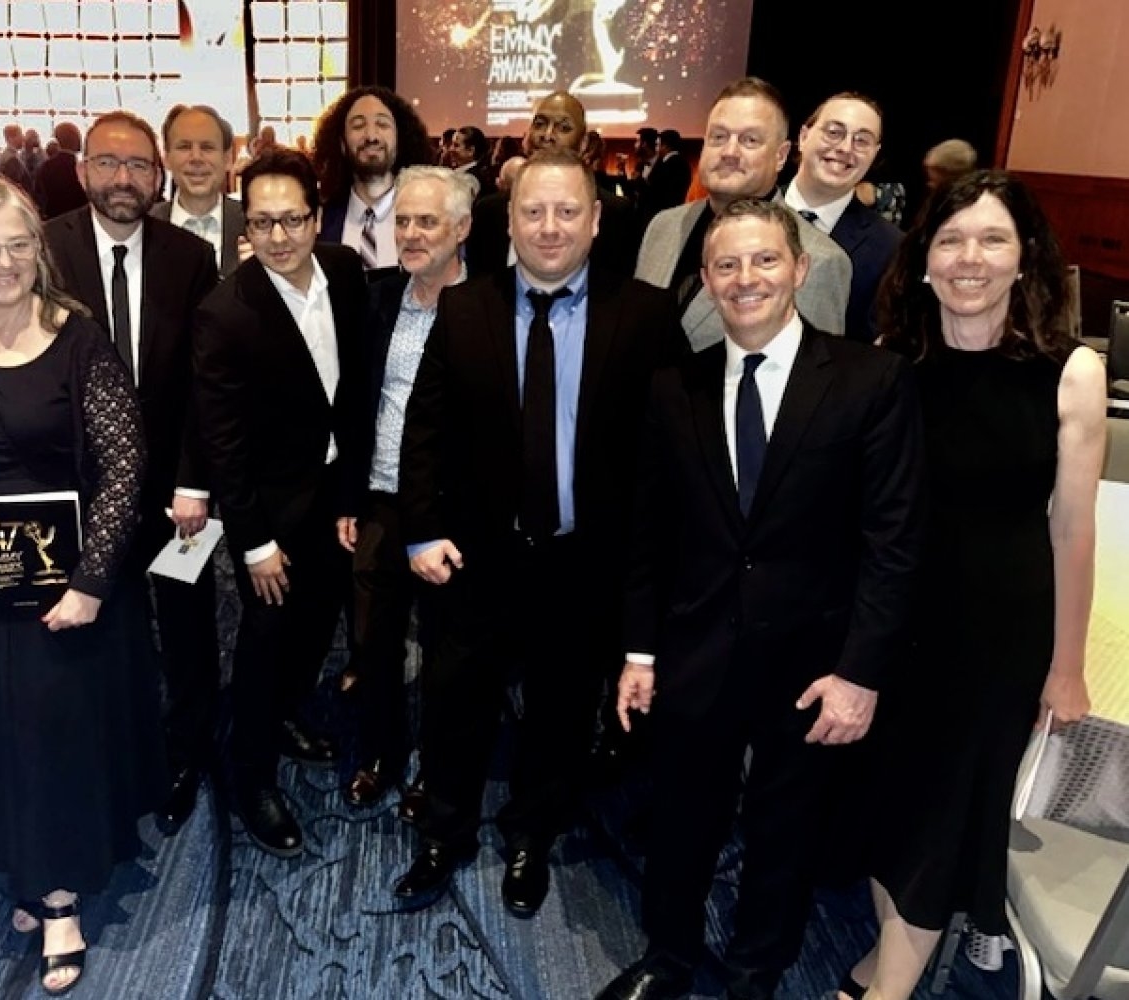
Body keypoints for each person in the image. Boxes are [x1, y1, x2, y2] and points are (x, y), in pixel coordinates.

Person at [596, 198, 925, 1000]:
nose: (746, 280)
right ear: (705, 281)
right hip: (696, 649)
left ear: (800, 270)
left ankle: (756, 972)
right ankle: (667, 958)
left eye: (765, 261)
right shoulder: (676, 388)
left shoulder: (870, 381)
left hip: (813, 665)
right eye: (727, 266)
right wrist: (639, 652)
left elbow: (894, 544)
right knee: (682, 824)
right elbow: (648, 536)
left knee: (785, 834)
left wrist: (861, 672)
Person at [392, 149, 684, 917]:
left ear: (595, 219)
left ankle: (530, 837)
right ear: (508, 220)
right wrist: (421, 530)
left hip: (584, 562)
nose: (548, 227)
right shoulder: (464, 309)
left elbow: (665, 453)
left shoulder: (647, 314)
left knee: (559, 712)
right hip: (477, 558)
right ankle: (444, 834)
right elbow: (423, 431)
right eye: (532, 211)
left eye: (565, 211)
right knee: (456, 704)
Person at [839, 170, 1104, 1000]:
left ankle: (891, 987)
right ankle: (889, 953)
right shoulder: (891, 365)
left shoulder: (1072, 373)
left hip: (998, 630)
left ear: (1025, 260)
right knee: (889, 797)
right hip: (896, 618)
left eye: (993, 240)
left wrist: (1066, 665)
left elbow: (1073, 526)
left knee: (946, 811)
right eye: (951, 241)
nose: (970, 259)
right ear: (922, 262)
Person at [0, 175, 167, 995]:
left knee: (54, 734)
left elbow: (128, 465)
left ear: (39, 251)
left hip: (71, 590)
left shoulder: (80, 340)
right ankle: (22, 864)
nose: (5, 261)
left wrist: (92, 581)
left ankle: (60, 898)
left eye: (20, 243)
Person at [43, 111, 222, 834]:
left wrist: (194, 482)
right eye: (109, 164)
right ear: (83, 169)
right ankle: (117, 750)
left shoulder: (189, 256)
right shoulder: (44, 250)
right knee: (103, 623)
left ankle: (187, 750)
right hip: (82, 492)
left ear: (159, 176)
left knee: (186, 620)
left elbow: (205, 383)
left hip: (176, 495)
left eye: (140, 166)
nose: (124, 179)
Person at [192, 148, 368, 857]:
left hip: (332, 497)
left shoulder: (349, 274)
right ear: (248, 225)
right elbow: (223, 444)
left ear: (316, 216)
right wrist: (255, 542)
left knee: (317, 624)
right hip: (270, 512)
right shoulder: (225, 311)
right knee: (263, 645)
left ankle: (291, 713)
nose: (279, 236)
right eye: (262, 222)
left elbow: (355, 393)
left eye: (292, 219)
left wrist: (353, 494)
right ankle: (251, 775)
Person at [336, 165, 476, 819]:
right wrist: (350, 497)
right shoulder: (377, 295)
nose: (413, 234)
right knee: (374, 643)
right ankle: (381, 755)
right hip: (382, 502)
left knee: (450, 655)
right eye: (404, 221)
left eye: (428, 221)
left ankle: (437, 769)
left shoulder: (490, 307)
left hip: (454, 513)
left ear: (462, 228)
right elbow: (355, 403)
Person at [635, 76, 851, 351]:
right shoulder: (663, 226)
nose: (729, 152)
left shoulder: (819, 261)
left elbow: (814, 382)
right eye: (719, 137)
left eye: (749, 140)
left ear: (781, 156)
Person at [463, 91, 640, 278]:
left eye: (563, 128)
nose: (547, 135)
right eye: (539, 124)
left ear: (584, 143)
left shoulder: (615, 215)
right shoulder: (488, 212)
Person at [783, 92, 902, 340]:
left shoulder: (891, 248)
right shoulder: (742, 216)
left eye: (862, 141)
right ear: (803, 137)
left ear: (875, 154)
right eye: (834, 132)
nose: (845, 148)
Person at [311, 85, 434, 275]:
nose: (371, 136)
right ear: (342, 143)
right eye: (358, 126)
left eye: (382, 125)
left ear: (400, 139)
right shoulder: (322, 219)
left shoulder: (430, 215)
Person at [150, 104, 250, 278]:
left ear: (227, 158)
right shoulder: (143, 227)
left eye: (207, 147)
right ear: (166, 158)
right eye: (184, 147)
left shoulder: (254, 224)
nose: (196, 158)